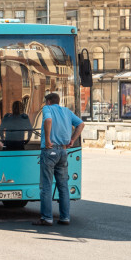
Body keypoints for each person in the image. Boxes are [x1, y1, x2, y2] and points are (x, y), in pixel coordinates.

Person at [32, 93, 84, 227]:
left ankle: (47, 218)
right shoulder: (66, 111)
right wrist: (72, 139)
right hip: (63, 151)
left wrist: (48, 139)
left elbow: (48, 120)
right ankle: (65, 217)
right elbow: (81, 124)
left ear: (48, 101)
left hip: (50, 151)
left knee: (46, 186)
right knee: (63, 185)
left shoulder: (47, 109)